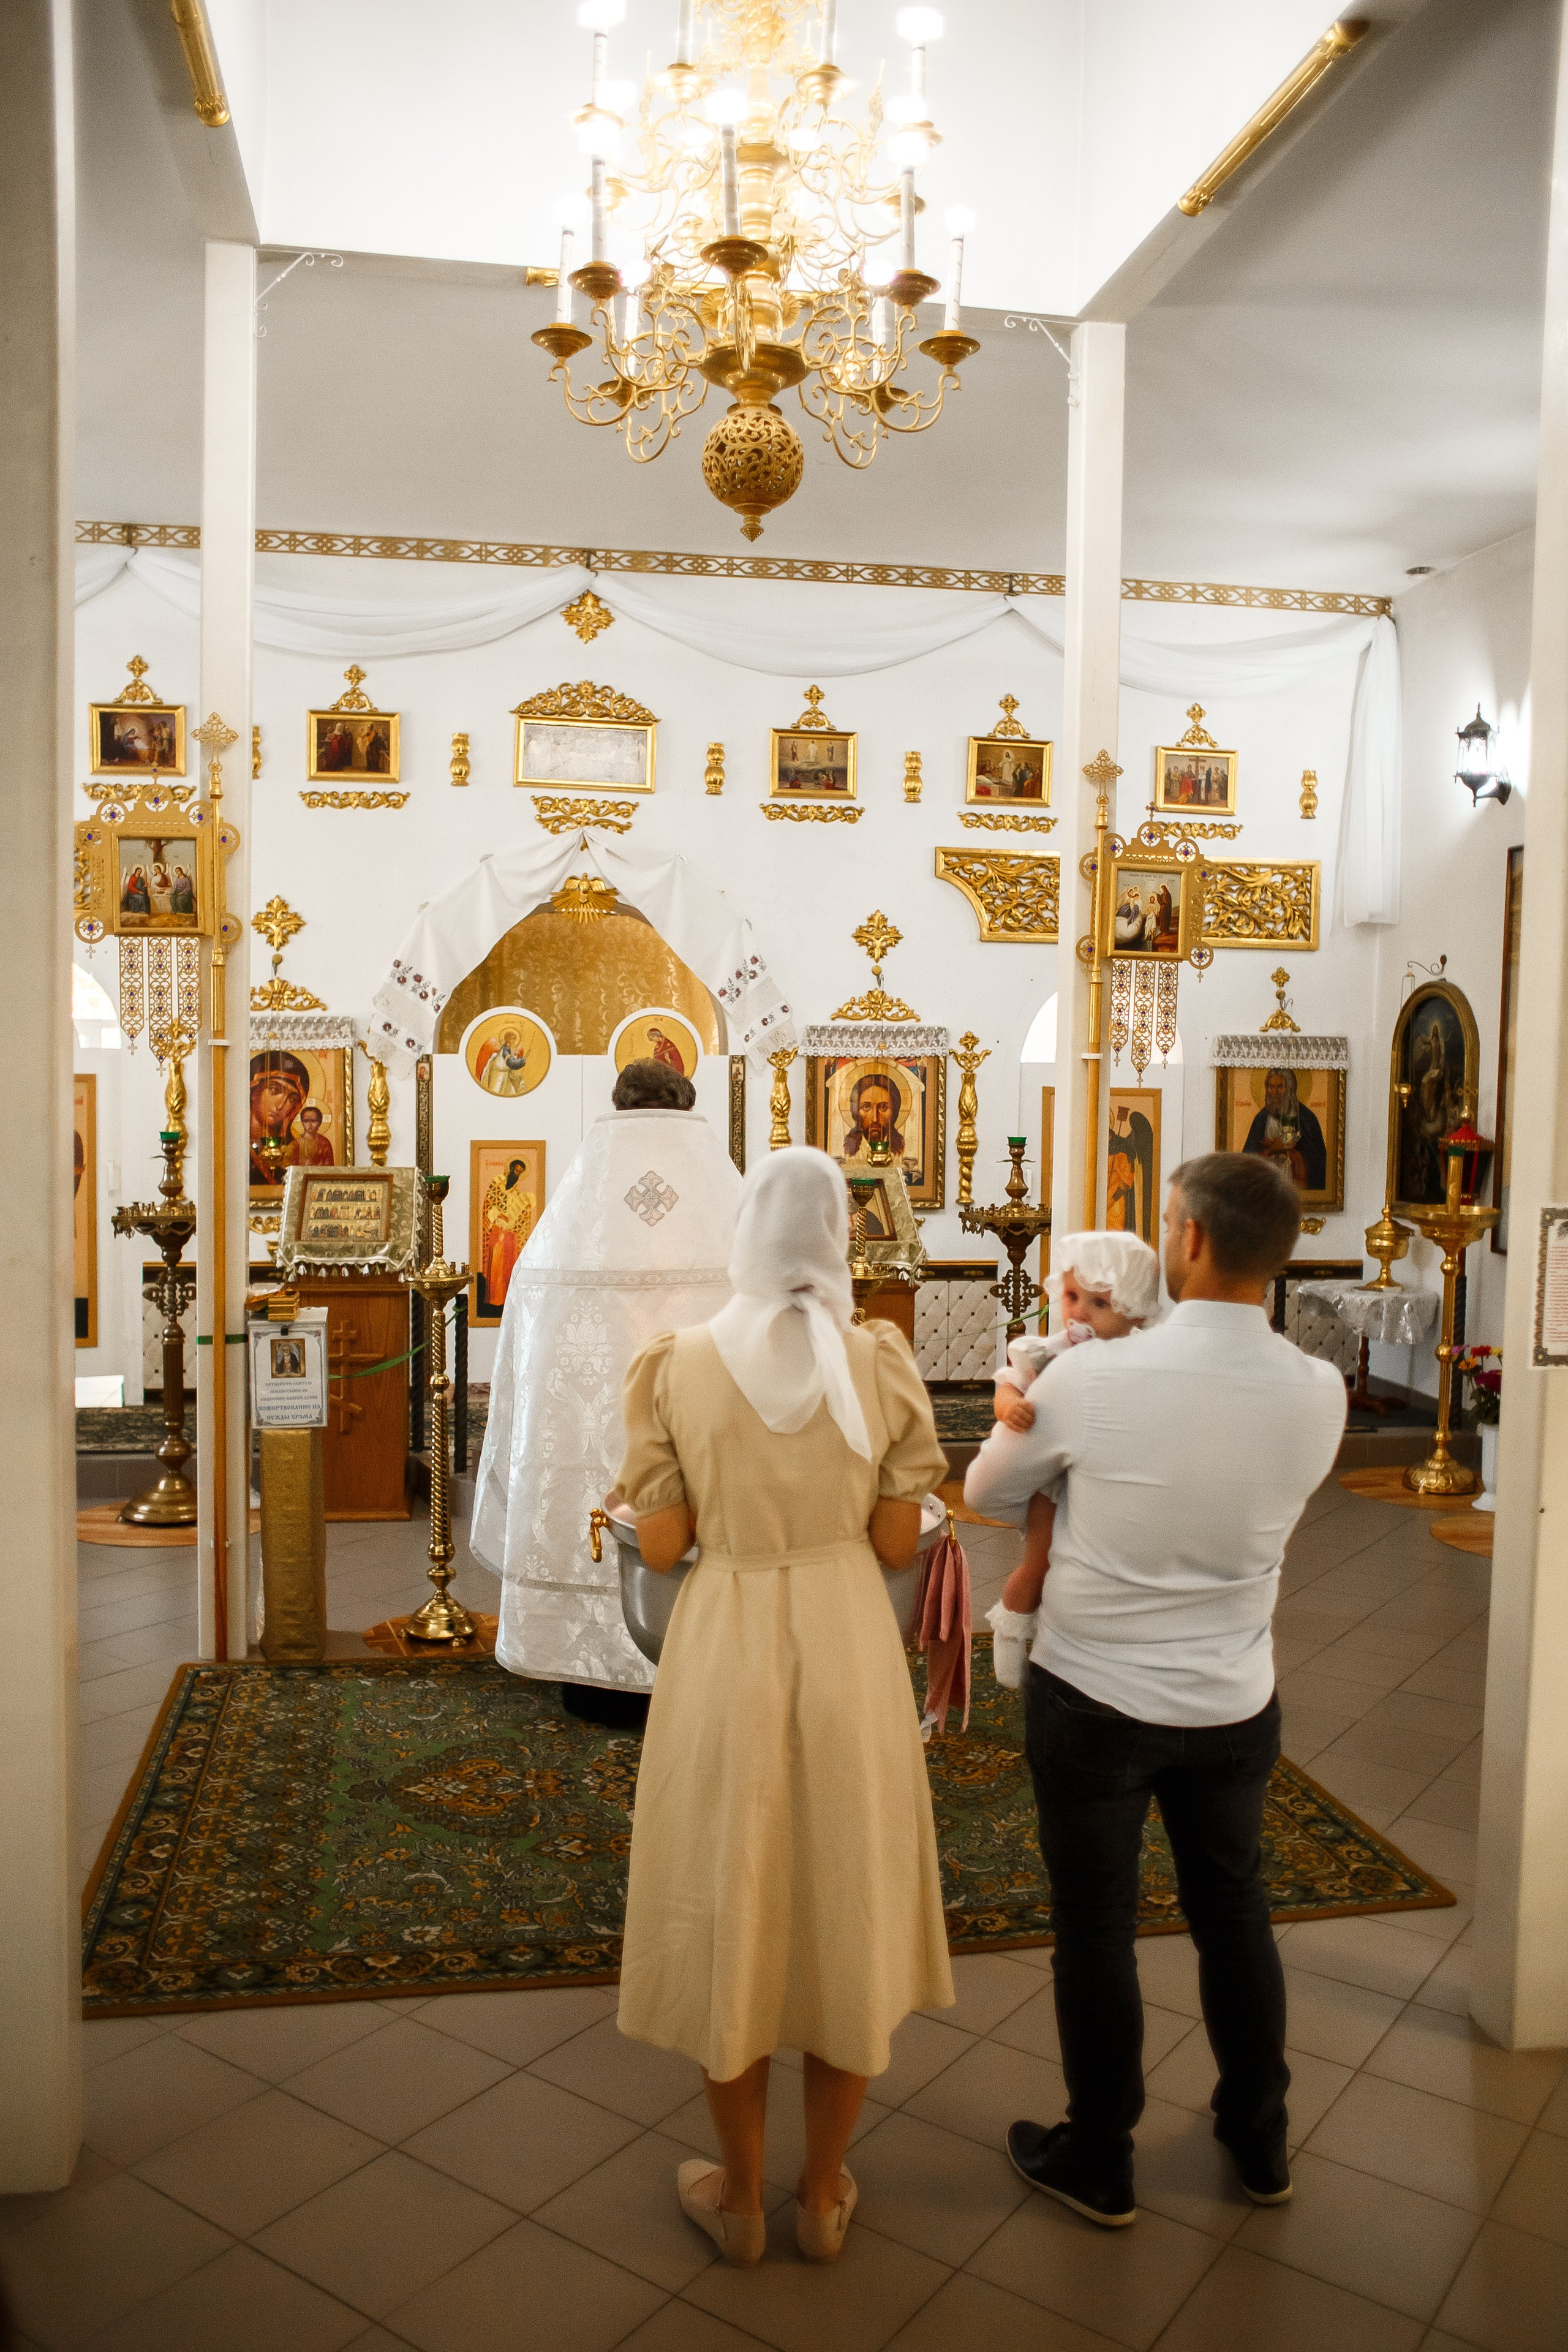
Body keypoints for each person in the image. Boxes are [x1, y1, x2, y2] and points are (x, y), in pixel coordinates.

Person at [965, 1153, 1346, 2226]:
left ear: (1187, 1240)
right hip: (1233, 1697)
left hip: (1095, 1694)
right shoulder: (1317, 1393)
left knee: (1096, 1925)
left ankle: (1101, 2155)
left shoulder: (1093, 1379)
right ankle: (1260, 2136)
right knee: (1236, 1911)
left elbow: (990, 1489)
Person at [616, 1148, 953, 2267]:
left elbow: (662, 1543)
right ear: (837, 1239)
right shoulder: (877, 1362)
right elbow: (900, 1542)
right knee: (842, 1897)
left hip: (727, 1646)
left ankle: (744, 2201)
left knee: (734, 1900)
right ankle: (823, 2195)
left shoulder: (680, 1364)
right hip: (848, 1644)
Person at [470, 1056, 743, 1723]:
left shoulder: (576, 1207)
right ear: (685, 1103)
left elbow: (526, 1329)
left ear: (620, 1105)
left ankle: (588, 1668)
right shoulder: (727, 1201)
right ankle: (707, 1663)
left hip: (589, 1427)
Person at [988, 1233, 1161, 1664]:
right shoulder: (1049, 1353)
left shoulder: (1143, 1359)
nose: (1078, 1312)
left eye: (1099, 1304)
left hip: (1112, 1479)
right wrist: (1011, 1409)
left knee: (1100, 1566)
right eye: (1070, 1296)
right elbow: (1008, 1383)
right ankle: (1011, 1625)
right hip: (1055, 1481)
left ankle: (1080, 1635)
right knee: (1042, 1558)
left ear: (1135, 1313)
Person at [1242, 1068, 1327, 1193]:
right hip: (1267, 1183)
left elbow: (1318, 1162)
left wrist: (1289, 1150)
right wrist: (1270, 1151)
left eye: (1280, 1086)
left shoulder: (1306, 1118)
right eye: (1271, 1086)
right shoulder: (1262, 1118)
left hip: (1295, 1185)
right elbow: (1247, 1158)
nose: (1274, 1091)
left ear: (1290, 1089)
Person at [842, 1069, 904, 1162]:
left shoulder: (902, 1151)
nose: (875, 1119)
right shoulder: (847, 1151)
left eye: (883, 1107)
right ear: (855, 1112)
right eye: (866, 1107)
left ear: (894, 1112)